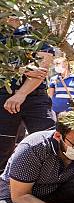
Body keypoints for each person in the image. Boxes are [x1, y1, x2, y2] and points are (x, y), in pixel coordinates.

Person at [0, 17, 57, 173]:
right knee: (3, 147)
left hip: (35, 96)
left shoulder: (34, 32)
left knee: (51, 141)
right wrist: (23, 69)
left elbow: (43, 66)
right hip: (3, 95)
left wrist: (20, 94)